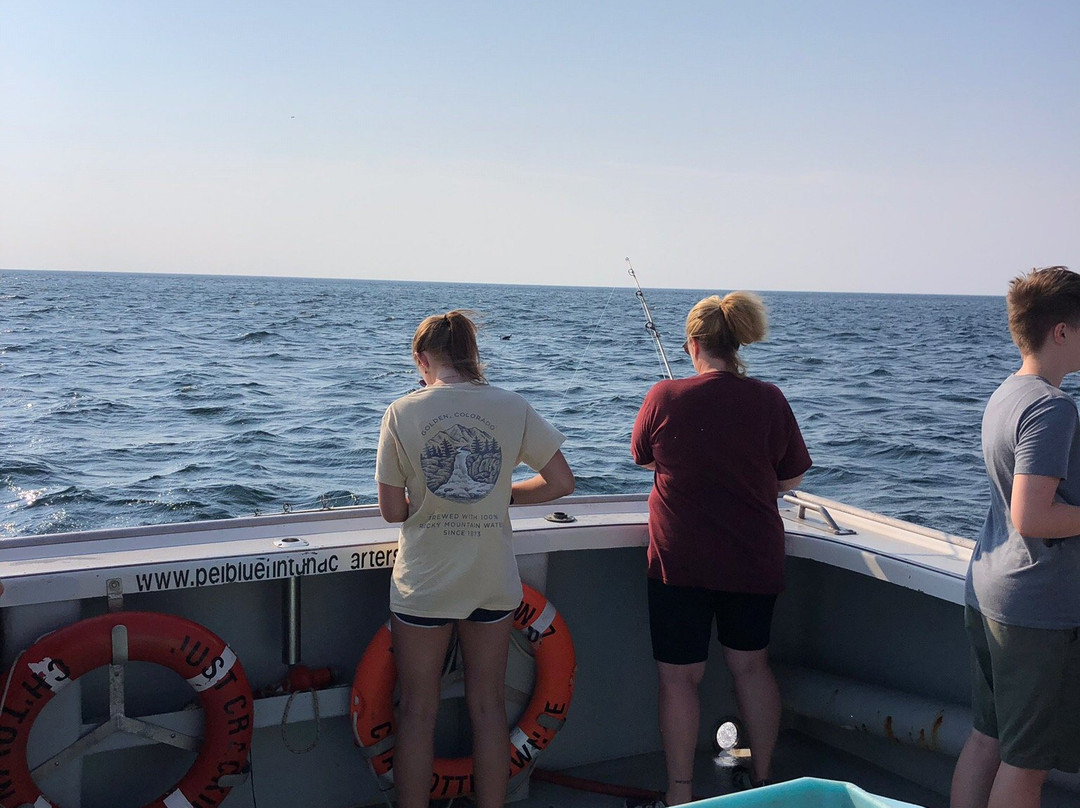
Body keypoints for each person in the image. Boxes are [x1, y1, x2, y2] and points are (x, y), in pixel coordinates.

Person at [375, 310, 575, 808]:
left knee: (418, 712)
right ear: (472, 355)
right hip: (491, 583)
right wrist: (503, 495)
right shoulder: (512, 406)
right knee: (488, 710)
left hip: (425, 585)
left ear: (422, 359)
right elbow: (561, 482)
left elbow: (391, 510)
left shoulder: (401, 412)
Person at [629, 292, 811, 807]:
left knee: (680, 679)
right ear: (737, 344)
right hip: (752, 559)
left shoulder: (664, 396)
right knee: (751, 668)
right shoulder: (770, 399)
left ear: (692, 344)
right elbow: (792, 474)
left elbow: (644, 457)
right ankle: (763, 781)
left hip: (678, 560)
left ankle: (681, 795)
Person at [950, 267, 1080, 808]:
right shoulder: (1052, 407)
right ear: (1061, 332)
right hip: (1035, 611)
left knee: (988, 738)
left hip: (989, 592)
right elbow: (1032, 516)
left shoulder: (1008, 393)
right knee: (1026, 765)